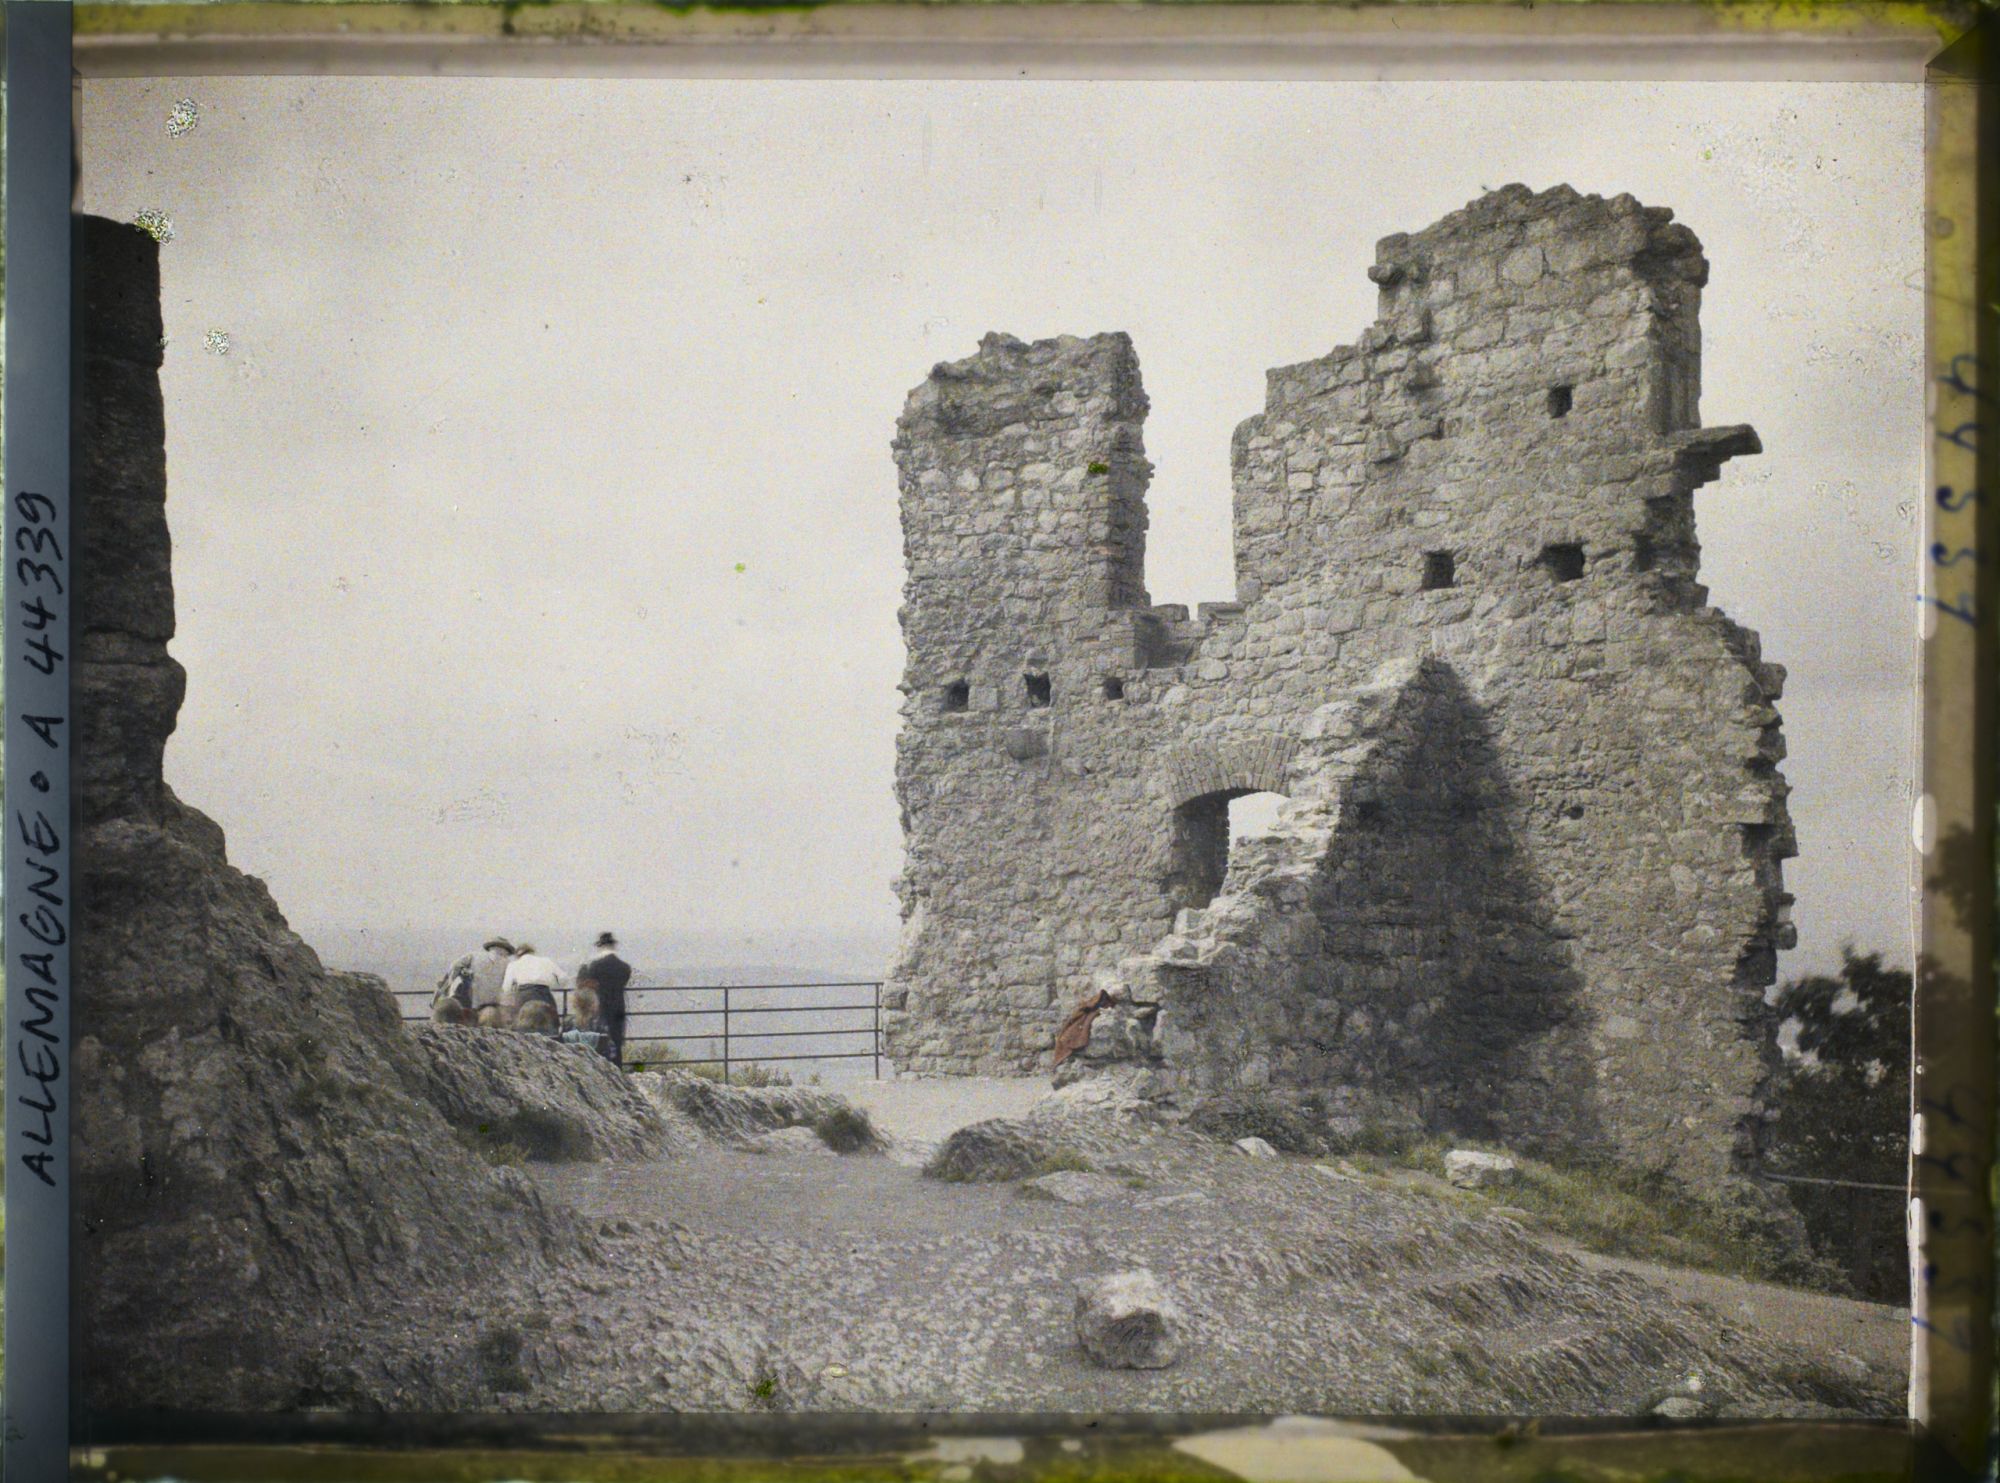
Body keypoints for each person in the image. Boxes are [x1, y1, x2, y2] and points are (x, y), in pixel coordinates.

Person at [575, 931, 634, 1066]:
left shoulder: (595, 966)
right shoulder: (624, 967)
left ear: (600, 946)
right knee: (617, 1039)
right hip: (619, 1006)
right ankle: (617, 1069)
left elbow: (585, 985)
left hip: (599, 1006)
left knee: (599, 1040)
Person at [438, 936, 514, 1026]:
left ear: (490, 947)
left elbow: (455, 966)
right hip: (496, 1006)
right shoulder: (510, 964)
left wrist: (448, 985)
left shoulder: (473, 956)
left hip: (473, 1002)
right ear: (506, 950)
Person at [500, 942, 566, 1029]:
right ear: (532, 952)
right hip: (544, 995)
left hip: (523, 997)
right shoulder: (546, 961)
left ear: (518, 955)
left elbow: (506, 988)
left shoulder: (513, 965)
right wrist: (553, 984)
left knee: (522, 1027)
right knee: (551, 1024)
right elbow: (563, 978)